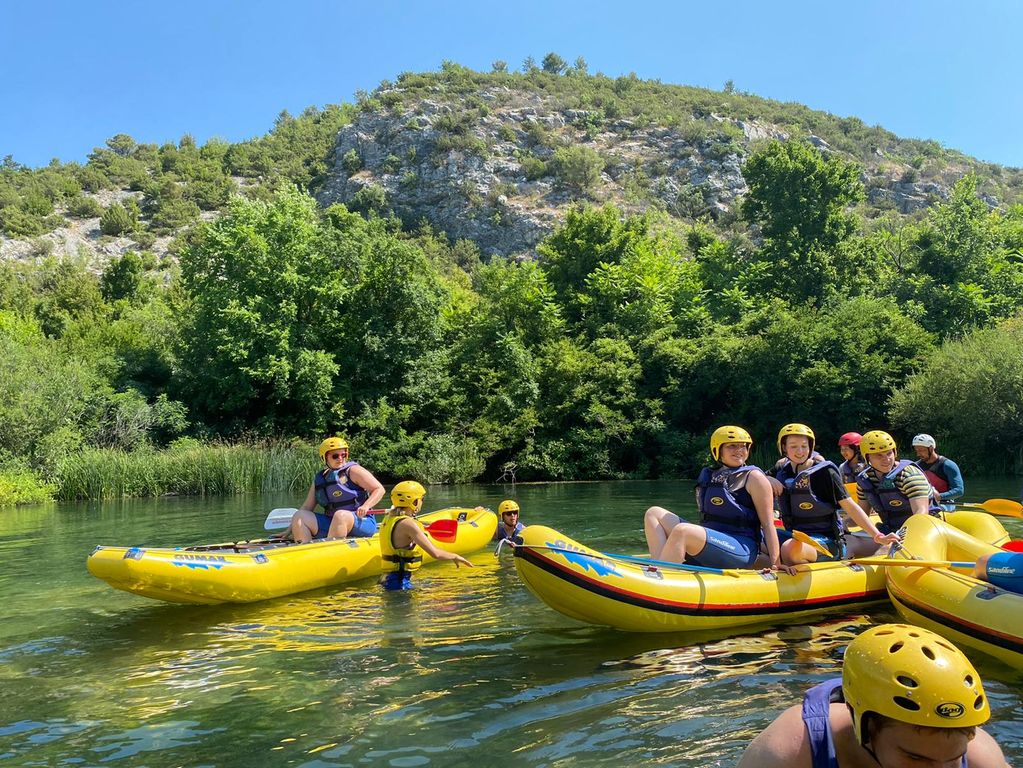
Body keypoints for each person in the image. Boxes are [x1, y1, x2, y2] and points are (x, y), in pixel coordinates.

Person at [737, 623, 1009, 767]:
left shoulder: (980, 759)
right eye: (914, 758)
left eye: (951, 760)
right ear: (864, 726)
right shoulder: (791, 751)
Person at [644, 425, 796, 575]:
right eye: (732, 446)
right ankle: (659, 566)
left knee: (683, 531)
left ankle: (661, 577)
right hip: (714, 540)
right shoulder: (710, 475)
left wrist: (776, 563)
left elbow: (768, 524)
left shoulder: (755, 478)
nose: (739, 451)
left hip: (741, 548)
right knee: (653, 513)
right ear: (718, 450)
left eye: (743, 446)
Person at [768, 424, 898, 565]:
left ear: (811, 447)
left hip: (828, 540)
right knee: (761, 538)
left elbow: (850, 506)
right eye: (793, 446)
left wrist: (877, 535)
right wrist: (768, 479)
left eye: (804, 446)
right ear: (783, 447)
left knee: (788, 548)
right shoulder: (781, 470)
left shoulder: (825, 472)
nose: (800, 451)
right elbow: (756, 475)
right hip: (796, 536)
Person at [287, 437, 386, 543]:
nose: (340, 458)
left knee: (340, 515)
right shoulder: (321, 478)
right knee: (299, 515)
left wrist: (366, 506)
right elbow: (307, 507)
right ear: (324, 458)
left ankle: (329, 553)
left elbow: (379, 489)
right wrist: (291, 527)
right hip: (332, 522)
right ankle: (305, 551)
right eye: (335, 456)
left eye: (343, 455)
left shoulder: (354, 471)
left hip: (361, 521)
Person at [380, 481, 473, 590]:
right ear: (415, 502)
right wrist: (455, 556)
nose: (422, 502)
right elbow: (436, 553)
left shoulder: (389, 518)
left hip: (387, 579)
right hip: (399, 583)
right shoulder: (409, 524)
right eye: (421, 499)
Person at [855, 430, 938, 538]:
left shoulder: (909, 475)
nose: (887, 459)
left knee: (883, 549)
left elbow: (921, 513)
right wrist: (843, 525)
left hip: (924, 529)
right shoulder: (865, 479)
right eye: (878, 455)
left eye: (889, 453)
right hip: (890, 529)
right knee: (851, 541)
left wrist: (902, 536)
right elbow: (862, 515)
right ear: (867, 458)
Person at [912, 433, 965, 511]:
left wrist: (939, 496)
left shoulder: (948, 465)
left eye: (921, 450)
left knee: (933, 511)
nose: (918, 454)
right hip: (923, 502)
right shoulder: (915, 466)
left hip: (945, 503)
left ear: (931, 449)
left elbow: (959, 490)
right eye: (916, 450)